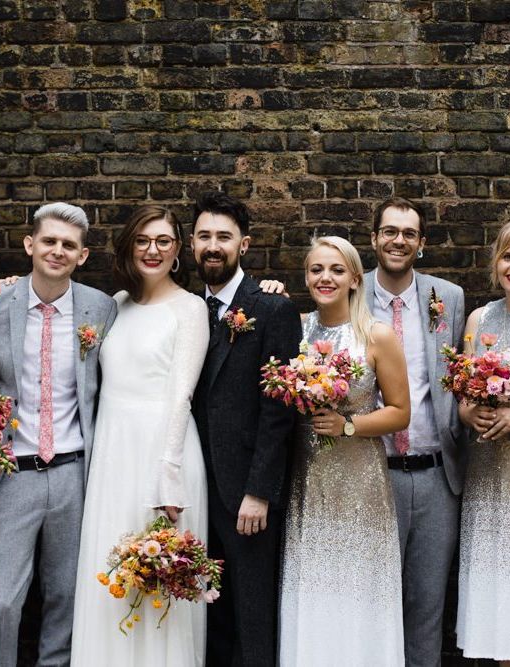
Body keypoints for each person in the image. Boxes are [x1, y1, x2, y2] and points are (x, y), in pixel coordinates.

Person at [0, 203, 117, 667]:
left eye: (68, 245)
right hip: (12, 472)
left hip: (73, 473)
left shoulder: (101, 307)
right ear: (30, 245)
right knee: (3, 599)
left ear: (83, 255)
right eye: (49, 241)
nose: (58, 250)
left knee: (67, 598)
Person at [71, 205, 210, 666]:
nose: (152, 250)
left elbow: (180, 396)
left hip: (160, 453)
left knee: (158, 580)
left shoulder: (190, 309)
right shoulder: (115, 305)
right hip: (113, 455)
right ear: (129, 246)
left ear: (177, 250)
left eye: (164, 241)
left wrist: (168, 474)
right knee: (111, 577)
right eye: (143, 241)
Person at [280, 236, 410, 666]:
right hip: (309, 482)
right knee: (314, 591)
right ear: (305, 277)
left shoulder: (376, 335)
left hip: (360, 487)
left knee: (359, 593)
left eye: (336, 270)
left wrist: (348, 424)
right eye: (316, 270)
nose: (325, 278)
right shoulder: (294, 330)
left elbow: (400, 412)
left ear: (356, 278)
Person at [190, 191, 302, 667]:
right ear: (191, 244)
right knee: (208, 613)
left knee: (253, 615)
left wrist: (259, 491)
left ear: (244, 244)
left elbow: (280, 412)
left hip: (247, 495)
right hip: (196, 488)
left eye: (223, 237)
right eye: (203, 236)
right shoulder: (188, 310)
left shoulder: (271, 308)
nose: (213, 246)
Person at [366, 198, 466, 667]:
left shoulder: (448, 298)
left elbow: (457, 378)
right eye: (389, 231)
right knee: (372, 604)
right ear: (374, 239)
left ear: (422, 243)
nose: (398, 241)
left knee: (428, 607)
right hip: (371, 474)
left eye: (408, 233)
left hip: (435, 476)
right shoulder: (348, 291)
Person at [456, 217, 510, 665]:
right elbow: (460, 397)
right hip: (488, 476)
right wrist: (470, 411)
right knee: (501, 602)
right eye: (509, 255)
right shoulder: (480, 319)